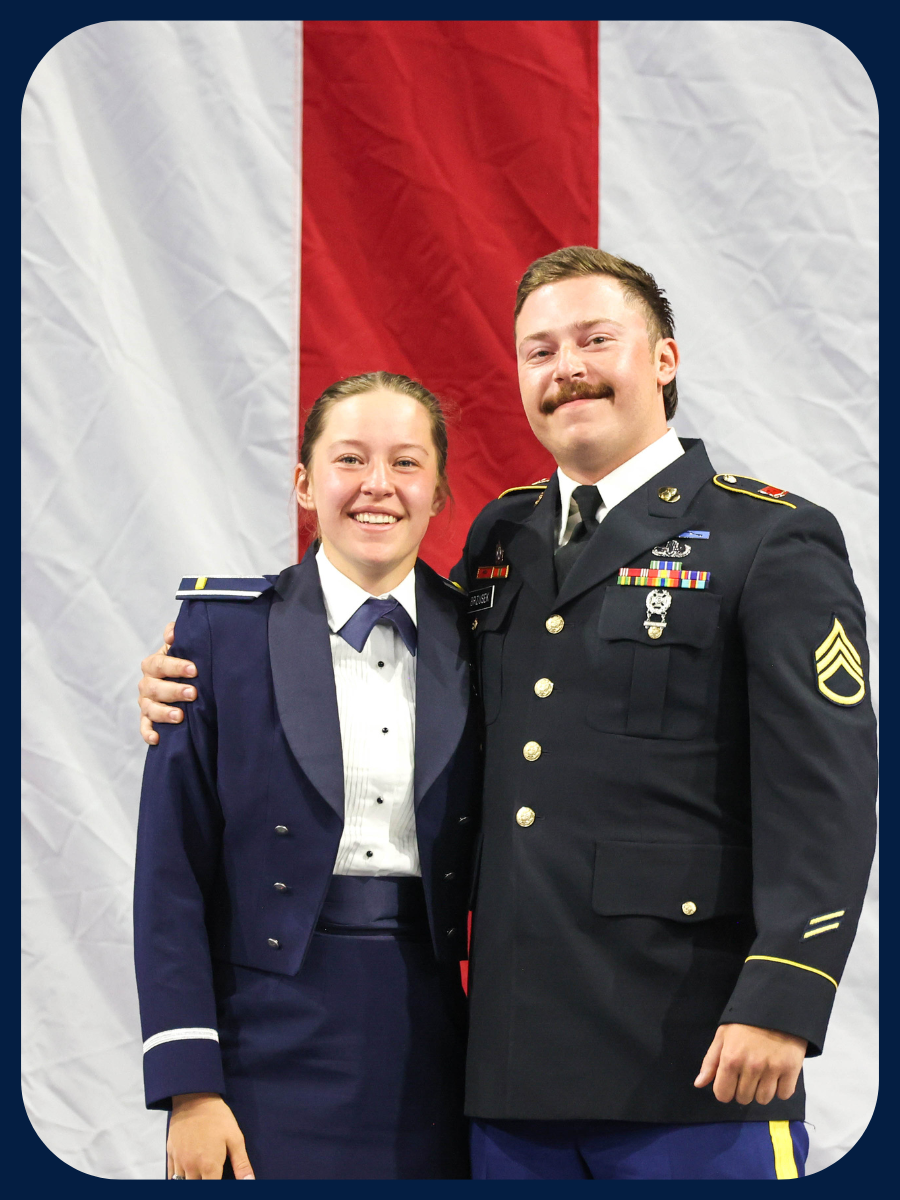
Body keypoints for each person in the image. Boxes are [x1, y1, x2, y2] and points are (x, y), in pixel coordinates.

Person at [139, 248, 877, 1180]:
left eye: (595, 339)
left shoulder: (769, 538)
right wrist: (187, 679)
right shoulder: (505, 538)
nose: (565, 365)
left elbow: (829, 797)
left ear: (665, 359)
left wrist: (784, 994)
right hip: (506, 1076)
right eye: (539, 349)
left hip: (694, 1060)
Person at [133, 372, 478, 1180]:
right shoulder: (219, 635)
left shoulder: (488, 638)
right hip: (261, 1043)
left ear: (438, 491)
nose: (377, 487)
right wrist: (189, 1087)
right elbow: (170, 873)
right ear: (304, 483)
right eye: (349, 460)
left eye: (406, 463)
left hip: (433, 1040)